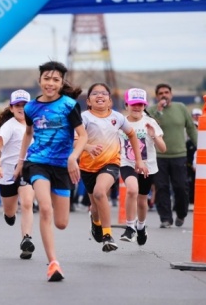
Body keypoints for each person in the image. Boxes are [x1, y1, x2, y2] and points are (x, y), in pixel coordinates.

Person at [13, 61, 88, 282]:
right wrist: (21, 160)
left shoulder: (69, 105)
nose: (50, 83)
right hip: (37, 162)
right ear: (40, 81)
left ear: (61, 82)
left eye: (56, 80)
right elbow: (28, 133)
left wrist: (73, 157)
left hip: (62, 166)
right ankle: (53, 263)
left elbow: (82, 136)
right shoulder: (30, 108)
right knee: (45, 208)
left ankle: (53, 257)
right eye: (47, 78)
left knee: (61, 223)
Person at [80, 84, 147, 252]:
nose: (99, 96)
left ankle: (107, 235)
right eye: (95, 93)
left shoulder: (117, 117)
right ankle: (95, 222)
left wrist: (138, 160)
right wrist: (87, 147)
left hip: (110, 163)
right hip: (87, 166)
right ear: (88, 101)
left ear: (110, 100)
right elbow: (74, 139)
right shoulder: (84, 118)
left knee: (99, 192)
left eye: (104, 93)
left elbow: (131, 134)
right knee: (94, 205)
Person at [0, 89, 36, 259]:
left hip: (28, 170)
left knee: (27, 203)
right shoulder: (9, 126)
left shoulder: (36, 124)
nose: (21, 108)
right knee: (11, 211)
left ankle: (26, 240)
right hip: (7, 173)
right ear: (11, 108)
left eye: (25, 105)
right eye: (18, 105)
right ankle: (8, 214)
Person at [119, 88, 166, 245]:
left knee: (142, 200)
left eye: (140, 104)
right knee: (132, 190)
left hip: (148, 166)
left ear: (144, 106)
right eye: (133, 104)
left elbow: (163, 148)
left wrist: (153, 134)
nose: (137, 107)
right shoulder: (121, 123)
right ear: (126, 105)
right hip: (127, 163)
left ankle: (141, 226)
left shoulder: (149, 122)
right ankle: (130, 227)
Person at [147, 84, 197, 228]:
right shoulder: (151, 111)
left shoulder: (181, 107)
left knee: (181, 186)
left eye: (166, 92)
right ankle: (165, 219)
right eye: (161, 93)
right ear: (157, 96)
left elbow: (191, 128)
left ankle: (181, 214)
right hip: (158, 156)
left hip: (179, 154)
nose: (164, 95)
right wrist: (159, 111)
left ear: (171, 94)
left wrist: (200, 146)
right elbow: (152, 126)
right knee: (161, 187)